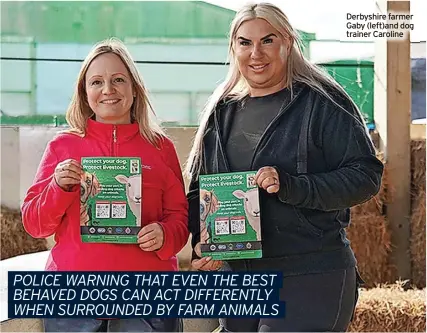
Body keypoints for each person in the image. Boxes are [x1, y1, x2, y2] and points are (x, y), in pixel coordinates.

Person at [186, 3, 383, 332]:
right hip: (237, 278)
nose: (255, 53)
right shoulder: (220, 113)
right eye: (245, 42)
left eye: (268, 40)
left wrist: (294, 186)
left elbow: (365, 176)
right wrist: (201, 241)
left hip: (309, 272)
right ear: (233, 47)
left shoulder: (324, 102)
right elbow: (198, 191)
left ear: (288, 43)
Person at [22, 38, 189, 332]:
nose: (108, 90)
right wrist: (58, 187)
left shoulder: (160, 147)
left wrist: (164, 235)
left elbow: (180, 219)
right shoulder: (63, 146)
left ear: (134, 90)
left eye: (118, 80)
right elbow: (35, 225)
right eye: (96, 82)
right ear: (85, 93)